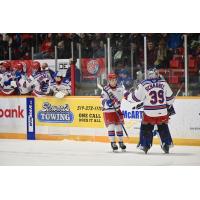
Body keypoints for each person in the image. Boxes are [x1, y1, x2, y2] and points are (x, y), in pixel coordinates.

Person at [125, 68, 175, 154]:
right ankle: (166, 144)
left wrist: (127, 96)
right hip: (162, 112)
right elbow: (170, 98)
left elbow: (135, 98)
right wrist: (167, 105)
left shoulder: (144, 84)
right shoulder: (163, 83)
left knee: (146, 127)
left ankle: (145, 145)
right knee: (163, 126)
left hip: (149, 112)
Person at [101, 72, 126, 152]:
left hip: (117, 110)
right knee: (111, 127)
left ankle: (121, 142)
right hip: (108, 111)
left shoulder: (120, 88)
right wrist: (108, 103)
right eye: (112, 80)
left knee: (119, 127)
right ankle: (113, 143)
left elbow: (125, 95)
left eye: (115, 79)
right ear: (109, 80)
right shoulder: (105, 89)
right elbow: (102, 100)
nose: (114, 81)